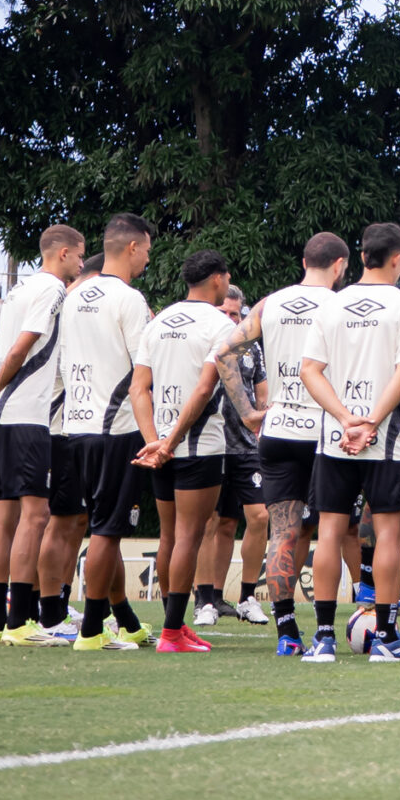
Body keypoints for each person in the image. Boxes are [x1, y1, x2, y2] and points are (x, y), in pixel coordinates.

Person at [216, 229, 351, 656]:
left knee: (285, 531)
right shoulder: (339, 304)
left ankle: (287, 632)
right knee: (338, 528)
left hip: (277, 431)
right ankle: (341, 625)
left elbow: (224, 352)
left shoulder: (269, 304)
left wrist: (248, 413)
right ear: (340, 266)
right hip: (324, 433)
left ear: (303, 262)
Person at [300, 221, 400, 664]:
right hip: (385, 437)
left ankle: (322, 640)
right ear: (398, 258)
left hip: (335, 436)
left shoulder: (331, 305)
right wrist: (371, 421)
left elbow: (309, 370)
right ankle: (387, 639)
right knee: (388, 533)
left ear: (362, 256)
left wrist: (343, 417)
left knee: (330, 533)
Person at [0, 222, 84, 644]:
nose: (79, 262)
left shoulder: (19, 290)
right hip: (26, 415)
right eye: (79, 254)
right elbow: (18, 348)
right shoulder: (53, 290)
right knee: (35, 515)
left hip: (5, 416)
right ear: (63, 254)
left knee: (4, 517)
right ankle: (20, 622)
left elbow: (0, 351)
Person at [130, 248, 240, 652]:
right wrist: (172, 441)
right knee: (189, 537)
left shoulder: (158, 322)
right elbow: (204, 388)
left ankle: (173, 625)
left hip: (159, 447)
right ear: (217, 279)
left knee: (169, 536)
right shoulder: (220, 325)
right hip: (197, 446)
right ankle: (173, 632)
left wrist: (153, 442)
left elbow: (138, 388)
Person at [57, 214, 157, 652]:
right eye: (148, 250)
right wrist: (154, 435)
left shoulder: (74, 296)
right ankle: (92, 631)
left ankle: (125, 620)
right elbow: (143, 375)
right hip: (116, 428)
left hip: (75, 426)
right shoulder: (129, 299)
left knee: (101, 527)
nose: (148, 259)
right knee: (107, 532)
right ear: (132, 248)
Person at [194, 286, 268, 628]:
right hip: (209, 443)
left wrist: (260, 422)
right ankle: (206, 599)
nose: (230, 319)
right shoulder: (201, 342)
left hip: (245, 445)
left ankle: (247, 596)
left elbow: (263, 389)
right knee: (212, 523)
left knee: (258, 517)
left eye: (236, 314)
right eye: (224, 312)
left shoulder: (252, 348)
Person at [36, 246, 98, 640]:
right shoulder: (62, 306)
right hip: (58, 428)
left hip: (80, 428)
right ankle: (48, 612)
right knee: (58, 521)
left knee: (78, 519)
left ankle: (59, 601)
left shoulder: (79, 311)